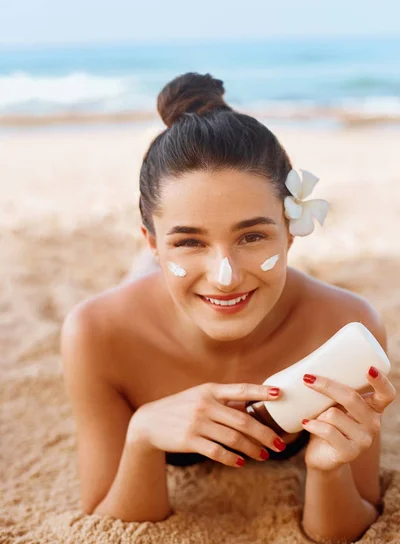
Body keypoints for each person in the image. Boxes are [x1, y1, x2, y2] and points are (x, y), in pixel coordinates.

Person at [61, 72, 396, 542]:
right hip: (148, 293)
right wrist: (141, 437)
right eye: (188, 241)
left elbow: (347, 526)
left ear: (290, 229)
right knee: (155, 282)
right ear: (153, 242)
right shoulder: (97, 333)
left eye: (253, 236)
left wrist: (326, 469)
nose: (226, 274)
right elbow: (109, 520)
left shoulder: (344, 326)